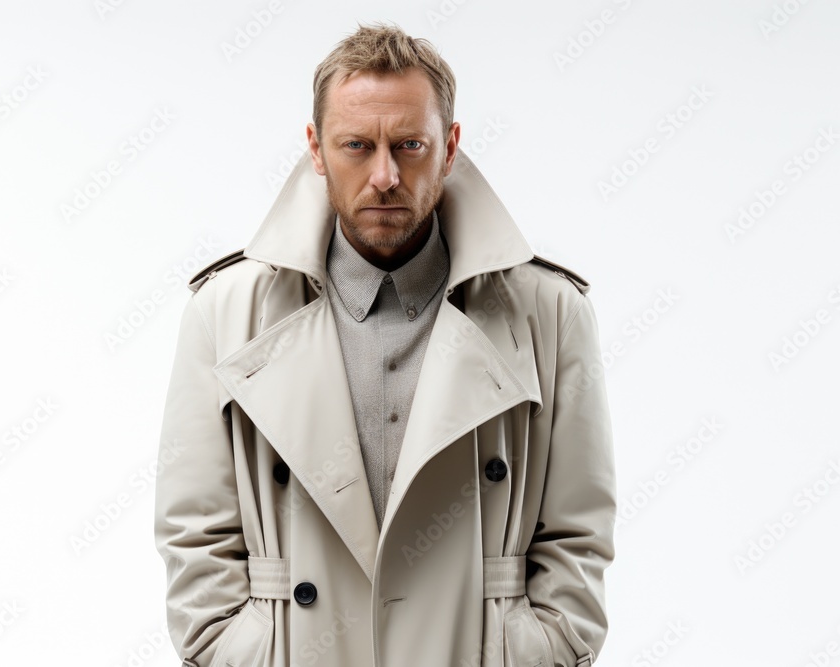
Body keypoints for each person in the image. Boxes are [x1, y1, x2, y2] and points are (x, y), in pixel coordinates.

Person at [154, 21, 616, 667]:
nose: (384, 176)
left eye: (409, 145)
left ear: (449, 147)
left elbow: (578, 530)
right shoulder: (225, 312)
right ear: (315, 149)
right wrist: (240, 651)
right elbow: (194, 531)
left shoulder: (551, 311)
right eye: (356, 145)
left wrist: (539, 650)